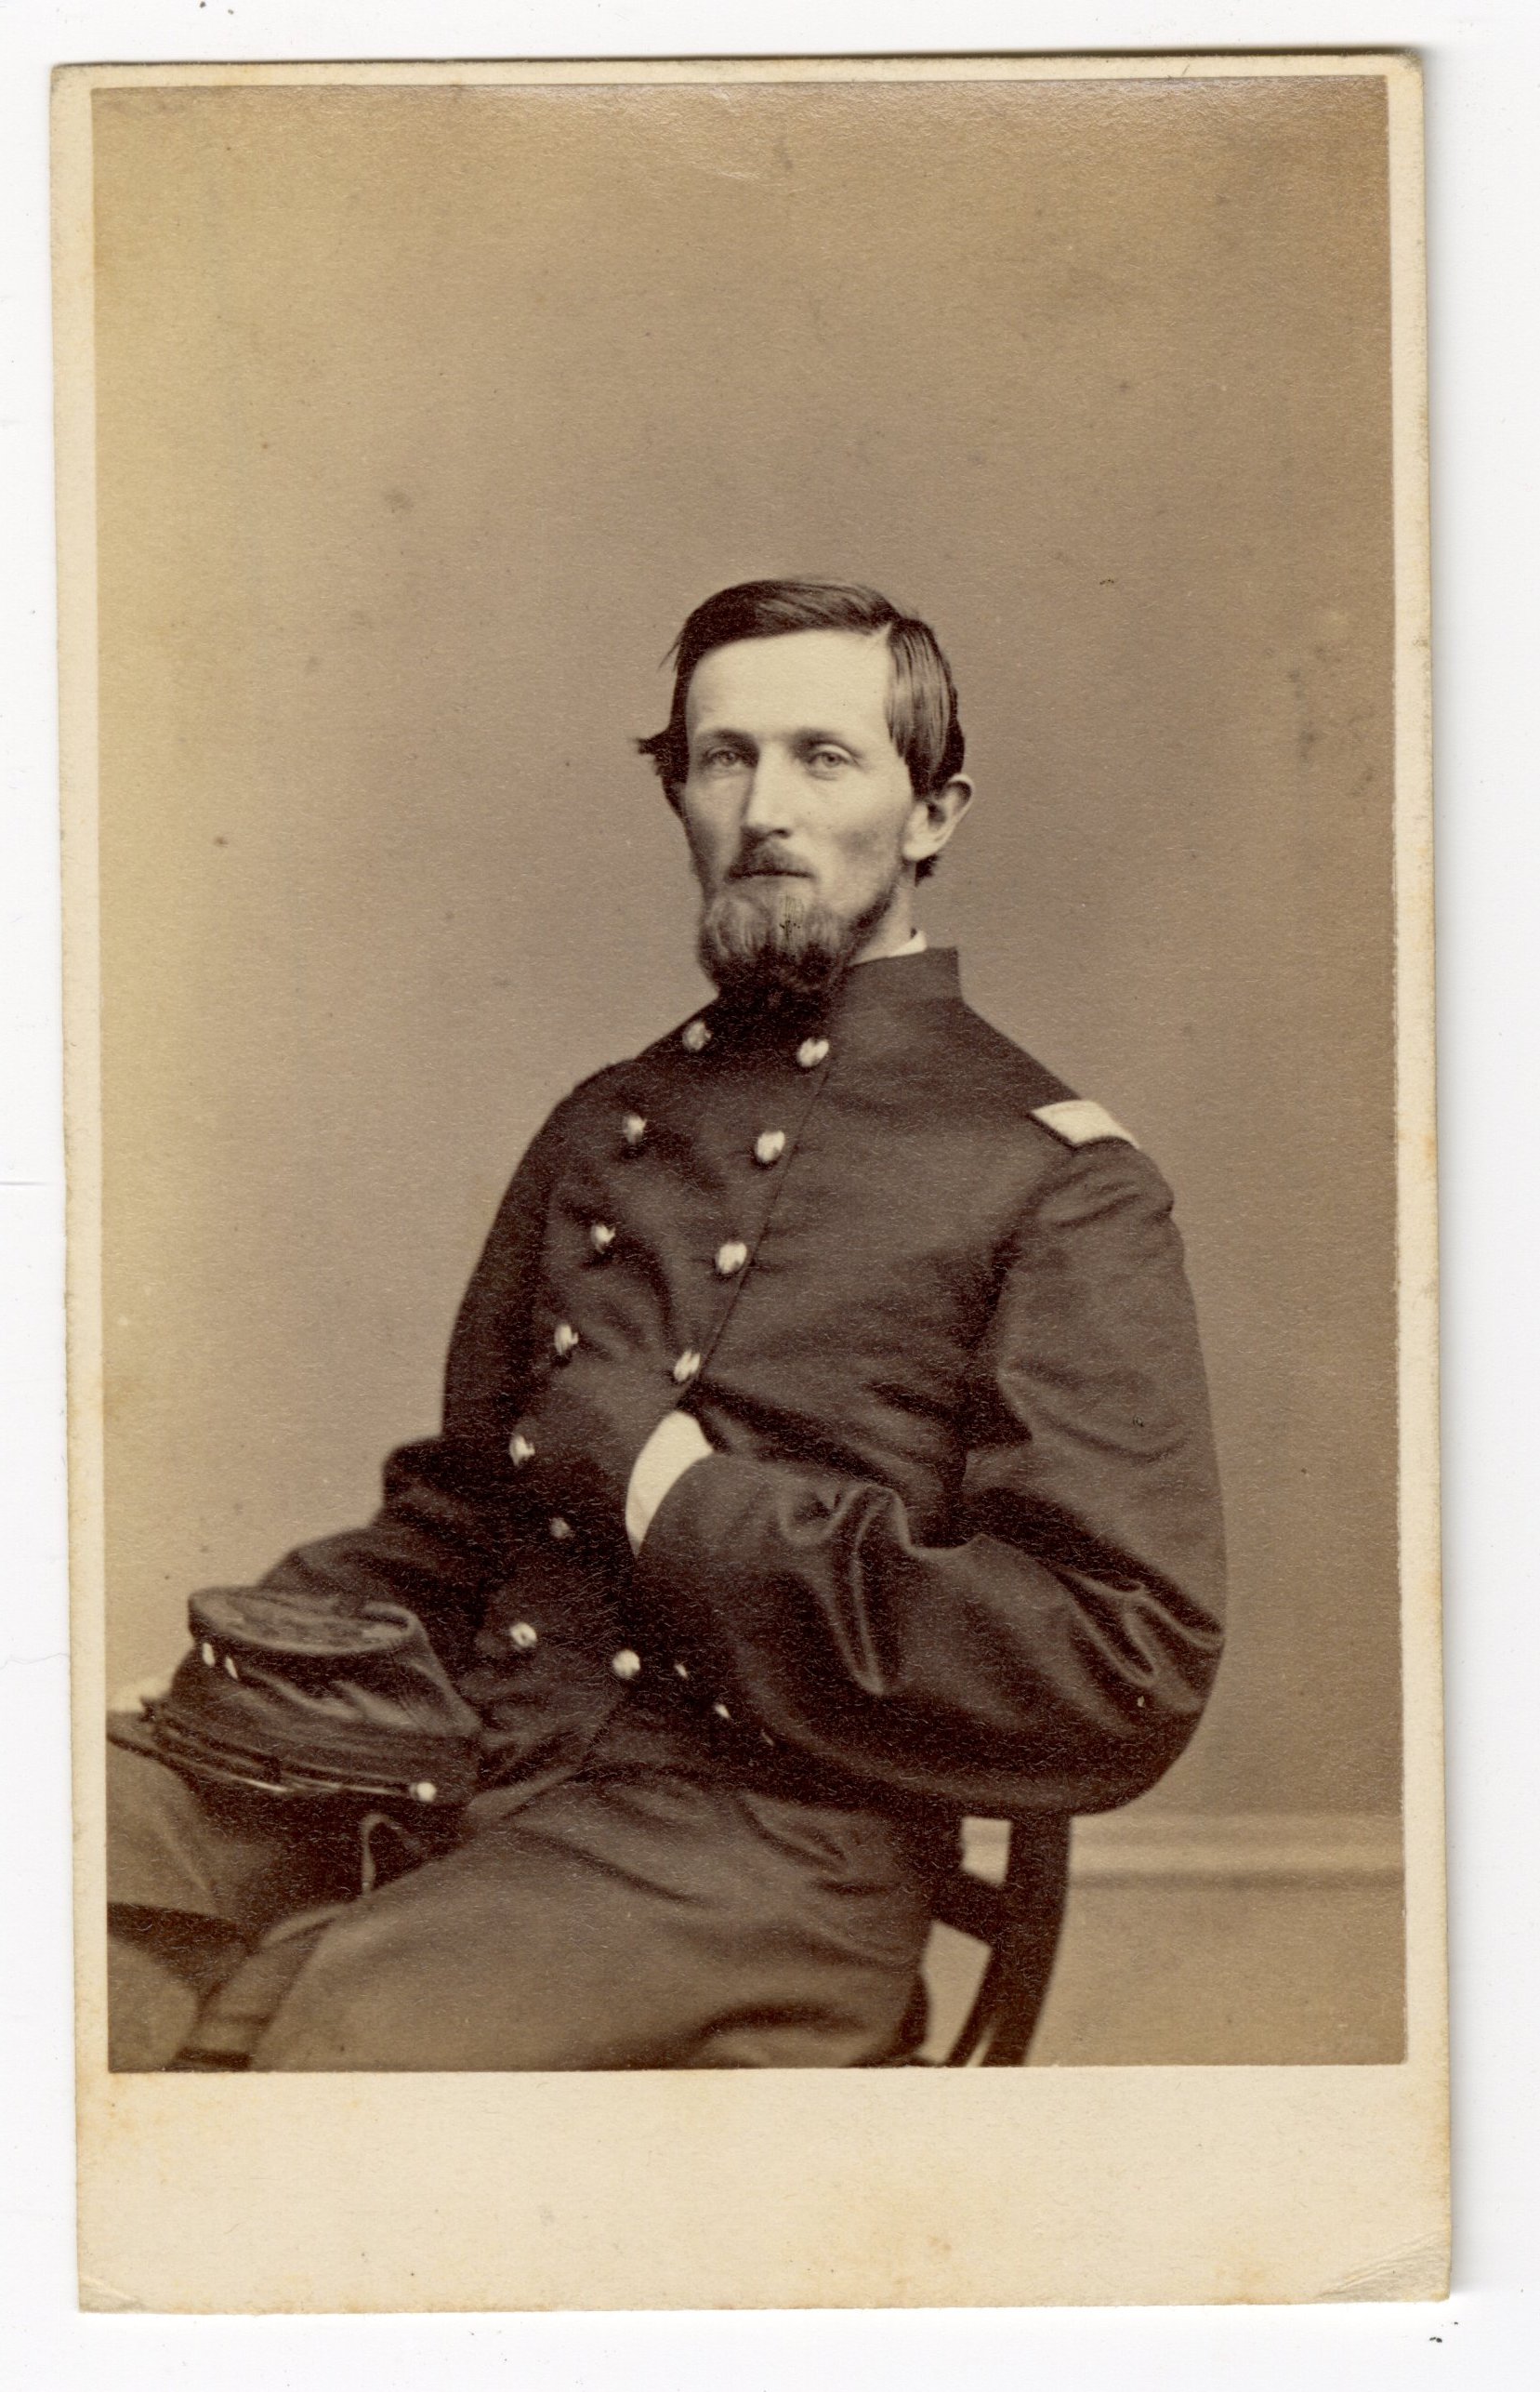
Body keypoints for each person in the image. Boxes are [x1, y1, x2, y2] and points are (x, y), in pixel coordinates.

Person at [106, 577, 1226, 2071]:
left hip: (765, 1861)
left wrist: (675, 1495)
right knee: (81, 1848)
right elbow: (464, 1519)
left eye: (823, 758)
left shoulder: (1049, 1175)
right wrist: (247, 1663)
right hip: (485, 1773)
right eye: (721, 758)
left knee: (301, 2052)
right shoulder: (605, 1121)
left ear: (930, 813)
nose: (764, 808)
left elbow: (1110, 1657)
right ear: (681, 795)